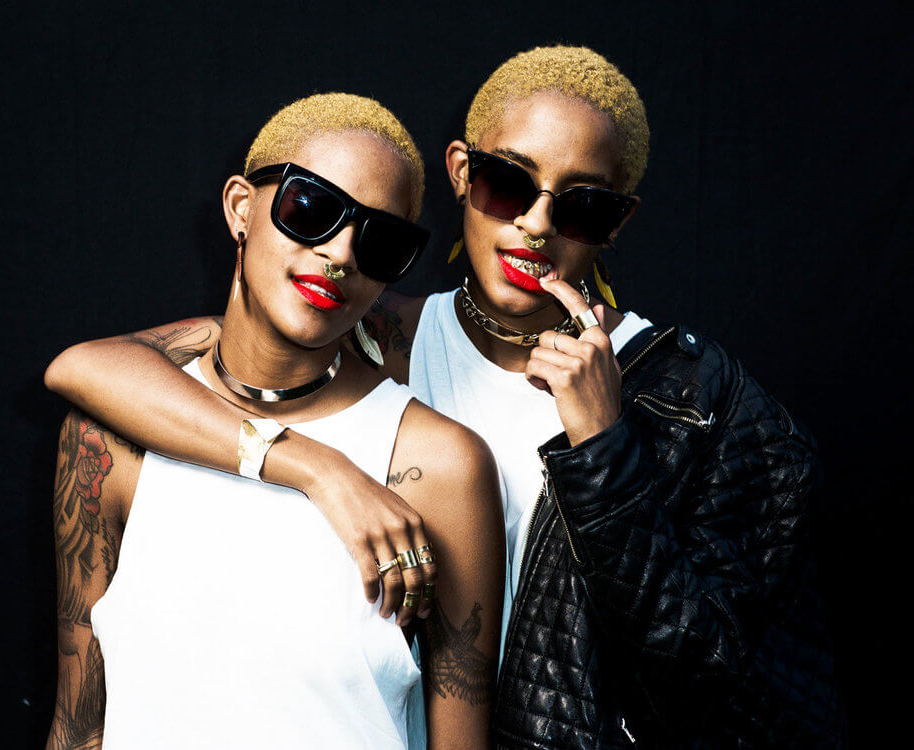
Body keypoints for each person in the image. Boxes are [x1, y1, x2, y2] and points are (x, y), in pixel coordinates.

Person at [46, 48, 844, 748]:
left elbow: (707, 667)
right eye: (508, 183)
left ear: (617, 221)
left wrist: (606, 449)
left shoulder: (694, 400)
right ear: (462, 172)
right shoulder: (375, 330)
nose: (536, 225)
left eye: (580, 205)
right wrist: (316, 466)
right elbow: (100, 369)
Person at [44, 93, 505, 750]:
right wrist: (319, 468)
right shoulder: (111, 438)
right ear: (241, 208)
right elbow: (77, 724)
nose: (341, 253)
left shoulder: (439, 466)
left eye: (381, 242)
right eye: (311, 209)